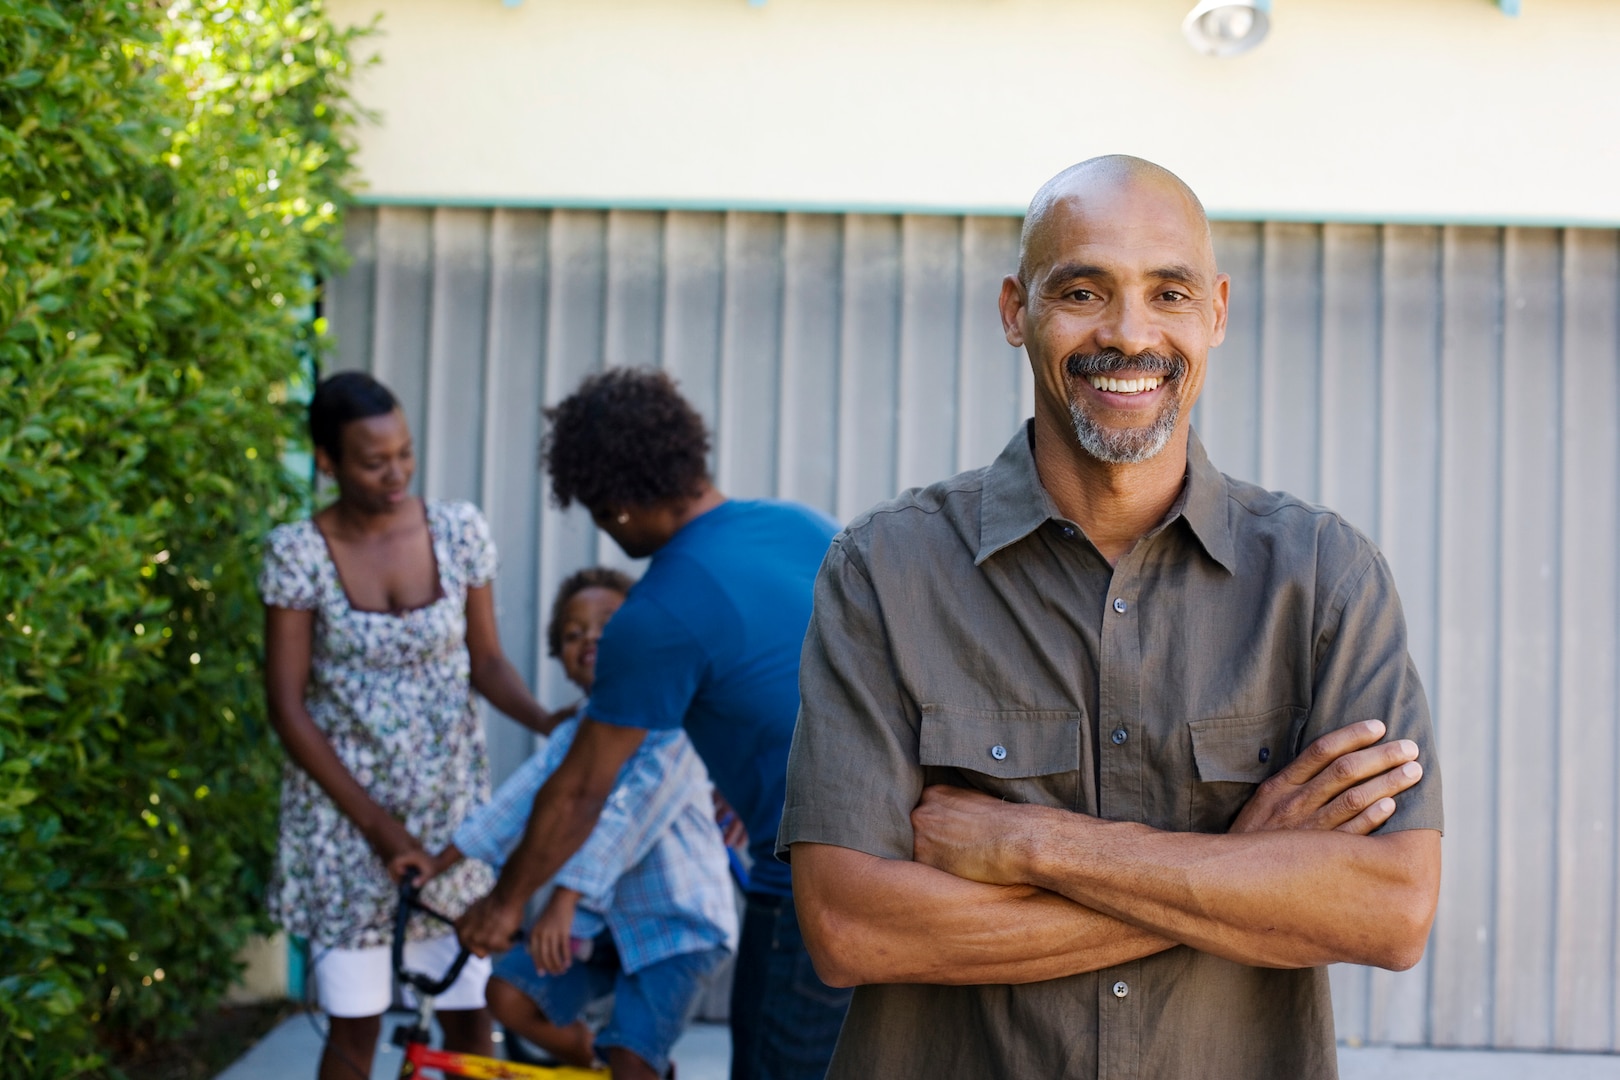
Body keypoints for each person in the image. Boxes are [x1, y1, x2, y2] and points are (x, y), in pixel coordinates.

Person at [779, 156, 1444, 1080]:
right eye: (1083, 290)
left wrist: (1033, 844)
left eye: (1168, 293)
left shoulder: (1324, 579)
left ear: (1215, 312)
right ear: (1017, 311)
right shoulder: (885, 571)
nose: (1129, 335)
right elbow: (852, 928)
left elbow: (1389, 911)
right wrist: (1242, 871)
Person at [456, 368, 851, 1080]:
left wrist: (503, 902)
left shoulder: (656, 613)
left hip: (812, 881)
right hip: (916, 856)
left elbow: (581, 791)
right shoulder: (801, 525)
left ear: (617, 505)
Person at [260, 370, 556, 1080]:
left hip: (451, 819)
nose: (395, 474)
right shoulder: (298, 554)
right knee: (354, 1031)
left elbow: (486, 663)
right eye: (372, 460)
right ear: (327, 462)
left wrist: (549, 721)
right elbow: (288, 706)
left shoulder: (457, 531)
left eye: (405, 453)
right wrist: (378, 830)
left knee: (465, 1022)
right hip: (344, 824)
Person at [395, 566, 739, 1080]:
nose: (590, 639)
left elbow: (626, 817)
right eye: (573, 633)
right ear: (561, 659)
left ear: (644, 642)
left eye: (608, 626)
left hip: (678, 928)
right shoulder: (576, 731)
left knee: (633, 1055)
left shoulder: (672, 725)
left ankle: (623, 1063)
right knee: (506, 995)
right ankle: (589, 1056)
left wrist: (566, 894)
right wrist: (438, 862)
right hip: (601, 929)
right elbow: (516, 801)